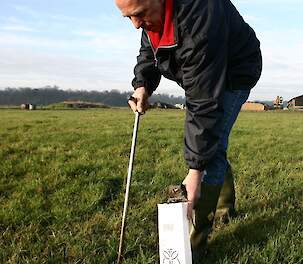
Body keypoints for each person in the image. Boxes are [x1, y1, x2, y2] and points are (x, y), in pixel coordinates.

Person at [115, 0, 262, 260]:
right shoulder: (153, 16)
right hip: (204, 74)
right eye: (128, 18)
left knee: (211, 150)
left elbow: (205, 104)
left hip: (235, 72)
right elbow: (150, 51)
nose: (136, 24)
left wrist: (195, 172)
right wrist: (143, 85)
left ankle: (194, 242)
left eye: (138, 14)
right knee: (212, 143)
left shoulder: (200, 18)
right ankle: (226, 206)